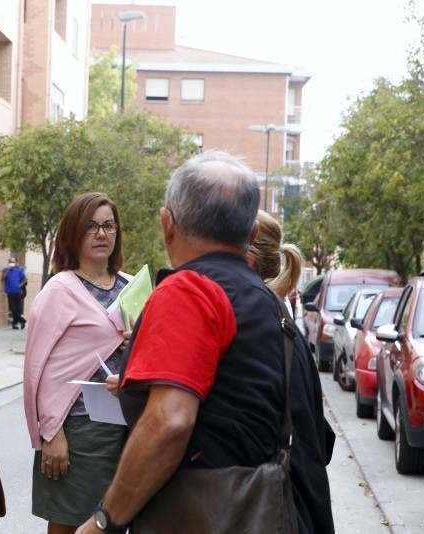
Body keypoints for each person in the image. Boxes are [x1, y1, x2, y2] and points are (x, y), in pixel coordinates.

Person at [77, 150, 286, 533]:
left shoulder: (189, 291)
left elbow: (169, 422)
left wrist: (104, 521)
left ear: (167, 223)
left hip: (203, 514)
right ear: (251, 234)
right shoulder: (267, 301)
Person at [24, 193, 131, 534]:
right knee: (71, 525)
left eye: (108, 225)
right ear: (73, 233)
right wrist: (50, 434)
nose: (102, 234)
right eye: (91, 226)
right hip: (79, 431)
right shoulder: (59, 290)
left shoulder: (131, 286)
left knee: (113, 524)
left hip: (128, 428)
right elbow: (37, 370)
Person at [247, 210, 336, 534]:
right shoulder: (282, 323)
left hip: (284, 509)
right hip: (303, 505)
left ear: (249, 261)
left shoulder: (260, 329)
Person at [2, 258, 27, 329]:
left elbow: (25, 279)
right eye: (10, 262)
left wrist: (20, 285)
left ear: (15, 262)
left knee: (18, 309)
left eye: (13, 262)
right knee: (12, 308)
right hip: (10, 292)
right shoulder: (5, 270)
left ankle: (15, 324)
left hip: (18, 292)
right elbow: (3, 278)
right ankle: (22, 320)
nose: (11, 263)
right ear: (8, 262)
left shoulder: (19, 270)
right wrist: (8, 270)